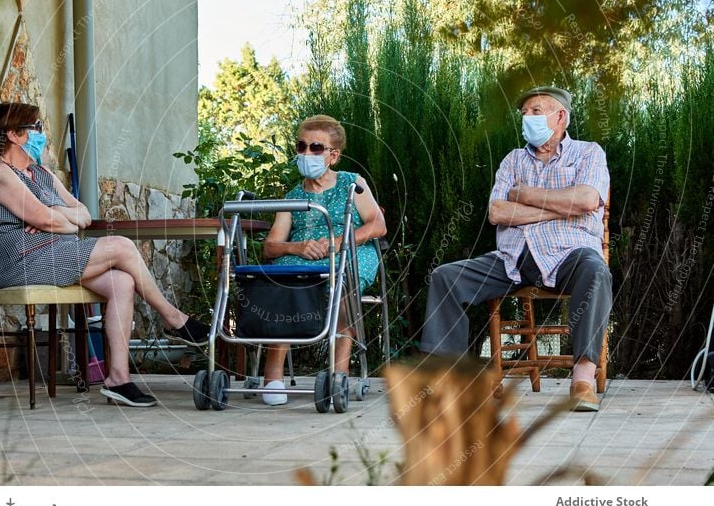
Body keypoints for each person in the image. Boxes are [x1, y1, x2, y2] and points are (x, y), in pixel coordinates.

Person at [0, 102, 209, 407]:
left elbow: (83, 214)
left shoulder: (39, 173)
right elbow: (49, 222)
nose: (44, 134)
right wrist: (53, 221)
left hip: (50, 253)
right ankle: (174, 319)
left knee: (121, 282)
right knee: (122, 246)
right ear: (14, 135)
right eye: (37, 128)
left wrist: (56, 214)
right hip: (17, 264)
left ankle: (118, 380)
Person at [421, 87, 612, 412]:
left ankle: (582, 379)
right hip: (513, 258)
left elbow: (587, 200)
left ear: (560, 117)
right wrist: (558, 208)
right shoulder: (513, 159)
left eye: (536, 111)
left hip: (570, 254)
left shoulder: (588, 153)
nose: (527, 118)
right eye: (524, 113)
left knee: (595, 270)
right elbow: (497, 212)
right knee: (445, 277)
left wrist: (524, 194)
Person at [260, 115, 387, 405]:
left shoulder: (352, 183)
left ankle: (338, 374)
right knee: (282, 278)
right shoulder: (292, 196)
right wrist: (297, 247)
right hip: (303, 256)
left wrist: (335, 244)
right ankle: (273, 376)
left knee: (342, 277)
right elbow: (271, 246)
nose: (306, 153)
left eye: (316, 147)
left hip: (350, 250)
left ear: (333, 155)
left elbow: (377, 226)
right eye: (301, 146)